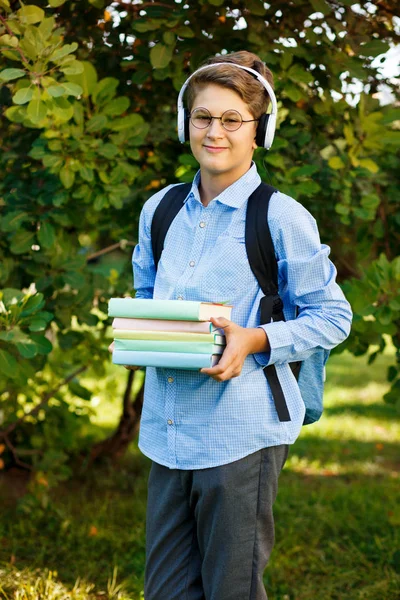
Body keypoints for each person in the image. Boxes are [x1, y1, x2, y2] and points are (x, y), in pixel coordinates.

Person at [113, 51, 352, 599]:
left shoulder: (281, 216)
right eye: (202, 117)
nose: (213, 131)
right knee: (166, 591)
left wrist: (256, 338)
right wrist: (143, 328)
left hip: (241, 433)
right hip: (167, 433)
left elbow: (333, 316)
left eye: (231, 120)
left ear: (258, 130)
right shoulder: (161, 209)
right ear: (184, 123)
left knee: (232, 589)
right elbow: (148, 297)